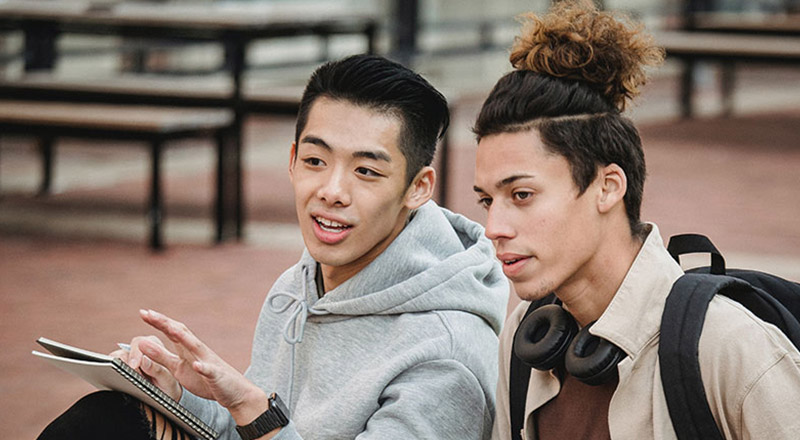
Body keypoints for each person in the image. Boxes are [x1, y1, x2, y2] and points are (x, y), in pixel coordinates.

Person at [39, 54, 509, 440]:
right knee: (108, 416)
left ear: (418, 187)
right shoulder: (297, 287)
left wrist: (251, 407)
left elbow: (264, 425)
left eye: (366, 171)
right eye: (315, 160)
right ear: (292, 160)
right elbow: (263, 432)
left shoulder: (445, 354)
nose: (332, 191)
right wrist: (182, 398)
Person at [471, 1, 800, 439]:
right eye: (486, 200)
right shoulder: (524, 338)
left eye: (521, 195)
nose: (494, 227)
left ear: (608, 187)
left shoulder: (725, 346)